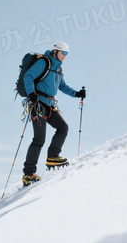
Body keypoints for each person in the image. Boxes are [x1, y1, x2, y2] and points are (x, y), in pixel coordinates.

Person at [21, 41, 85, 186]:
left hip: (49, 105)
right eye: (64, 53)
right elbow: (28, 76)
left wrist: (76, 94)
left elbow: (62, 86)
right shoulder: (44, 62)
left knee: (63, 127)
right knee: (39, 138)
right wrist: (31, 94)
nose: (65, 56)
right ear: (56, 51)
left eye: (67, 54)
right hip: (37, 103)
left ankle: (53, 156)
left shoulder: (58, 69)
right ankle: (28, 174)